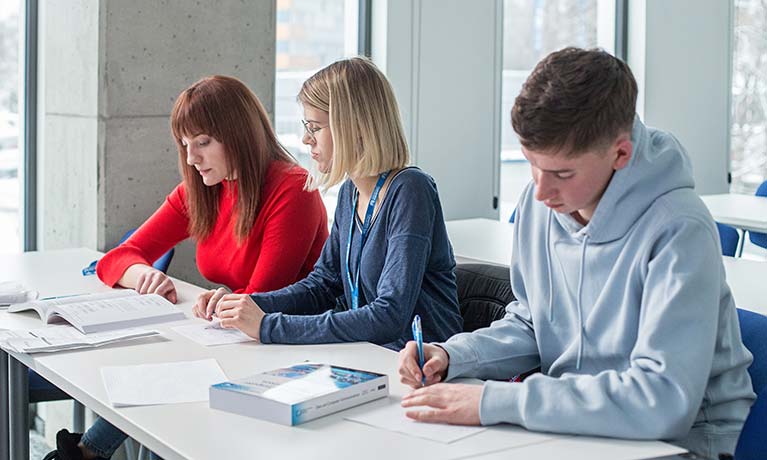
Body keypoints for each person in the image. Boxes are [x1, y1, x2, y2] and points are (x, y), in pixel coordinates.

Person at [397, 47, 755, 459]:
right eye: (532, 164)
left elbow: (662, 402)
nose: (541, 191)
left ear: (620, 153)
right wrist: (452, 354)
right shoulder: (542, 201)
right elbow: (533, 325)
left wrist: (490, 403)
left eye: (562, 174)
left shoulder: (680, 228)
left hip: (680, 441)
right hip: (573, 425)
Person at [47, 75, 329, 460]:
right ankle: (85, 453)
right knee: (152, 361)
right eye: (184, 144)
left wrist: (225, 301)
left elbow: (261, 300)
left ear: (239, 134)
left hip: (283, 348)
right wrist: (141, 274)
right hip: (234, 343)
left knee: (161, 366)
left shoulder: (292, 187)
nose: (191, 158)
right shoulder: (202, 190)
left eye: (203, 142)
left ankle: (84, 453)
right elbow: (117, 258)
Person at [195, 57, 463, 350]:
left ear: (355, 127)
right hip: (368, 354)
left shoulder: (411, 190)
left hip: (420, 366)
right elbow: (323, 285)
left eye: (315, 127)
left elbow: (390, 315)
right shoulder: (351, 192)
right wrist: (244, 305)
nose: (306, 139)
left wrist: (268, 326)